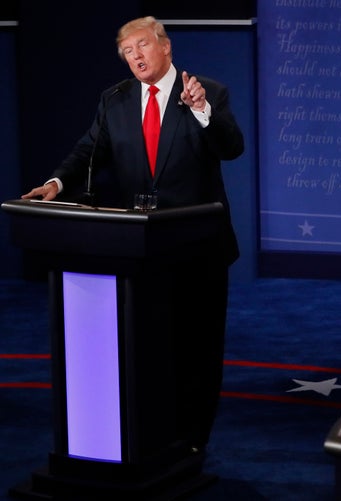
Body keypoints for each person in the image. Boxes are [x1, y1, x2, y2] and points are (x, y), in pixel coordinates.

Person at [22, 16, 245, 453]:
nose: (136, 56)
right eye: (128, 51)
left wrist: (202, 112)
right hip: (139, 249)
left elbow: (231, 148)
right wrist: (57, 183)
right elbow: (89, 150)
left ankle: (193, 441)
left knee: (197, 349)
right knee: (149, 349)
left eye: (143, 45)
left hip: (198, 247)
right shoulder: (116, 100)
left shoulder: (207, 92)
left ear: (165, 46)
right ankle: (153, 436)